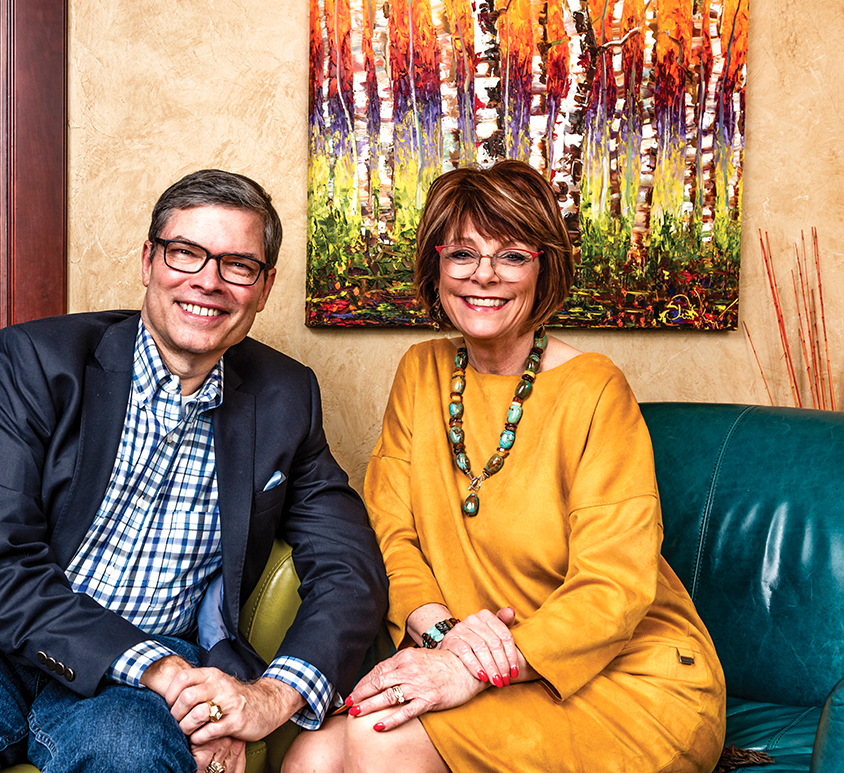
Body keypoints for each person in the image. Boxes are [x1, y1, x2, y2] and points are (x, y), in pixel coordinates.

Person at [0, 169, 387, 773]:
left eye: (238, 265)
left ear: (264, 288)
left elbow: (348, 566)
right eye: (186, 253)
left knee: (132, 756)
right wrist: (160, 669)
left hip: (142, 681)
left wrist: (271, 695)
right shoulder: (35, 360)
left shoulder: (287, 396)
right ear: (150, 259)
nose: (207, 282)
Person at [283, 160, 725, 773]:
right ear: (436, 263)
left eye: (512, 255)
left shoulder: (596, 390)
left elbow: (614, 586)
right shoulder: (421, 372)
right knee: (312, 754)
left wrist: (473, 667)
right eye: (462, 252)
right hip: (468, 653)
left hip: (620, 679)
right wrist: (442, 636)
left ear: (543, 267)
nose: (483, 276)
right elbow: (391, 531)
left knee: (373, 745)